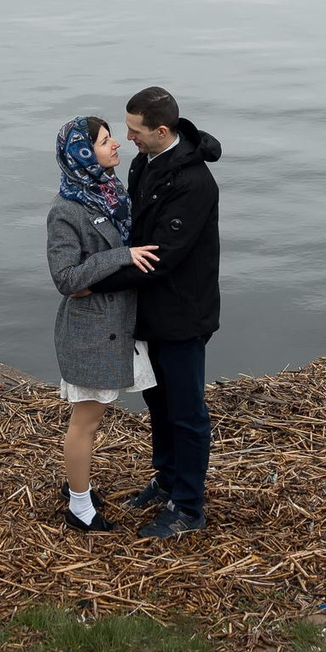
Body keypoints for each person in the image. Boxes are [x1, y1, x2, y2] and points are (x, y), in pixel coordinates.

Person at [109, 85, 221, 539]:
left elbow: (160, 255)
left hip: (183, 312)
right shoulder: (146, 162)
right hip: (151, 308)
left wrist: (94, 280)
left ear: (161, 129)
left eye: (135, 131)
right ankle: (168, 478)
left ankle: (189, 506)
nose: (127, 137)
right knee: (157, 398)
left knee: (187, 410)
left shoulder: (194, 183)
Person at [44, 116, 159, 532]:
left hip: (117, 322)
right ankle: (79, 507)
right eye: (106, 142)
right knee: (86, 421)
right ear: (81, 154)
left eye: (112, 140)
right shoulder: (67, 211)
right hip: (90, 332)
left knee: (91, 418)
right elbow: (65, 279)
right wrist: (121, 257)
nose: (117, 147)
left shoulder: (109, 194)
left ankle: (77, 489)